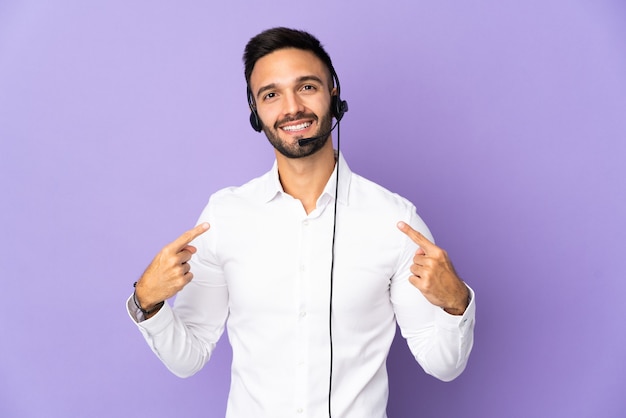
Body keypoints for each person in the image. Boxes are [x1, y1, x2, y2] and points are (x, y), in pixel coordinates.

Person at [127, 27, 475, 418]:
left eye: (307, 87)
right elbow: (186, 358)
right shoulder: (225, 216)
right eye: (271, 94)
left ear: (334, 96)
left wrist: (456, 303)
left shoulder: (395, 220)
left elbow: (443, 364)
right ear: (256, 113)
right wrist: (148, 302)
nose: (291, 107)